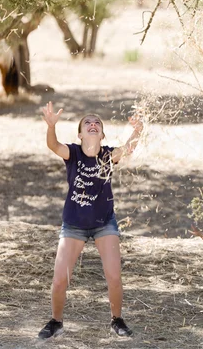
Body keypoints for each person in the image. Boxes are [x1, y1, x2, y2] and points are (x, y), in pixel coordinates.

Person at [37, 101, 143, 339]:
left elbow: (128, 148)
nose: (93, 124)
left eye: (97, 123)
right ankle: (56, 322)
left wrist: (138, 129)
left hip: (104, 223)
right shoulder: (73, 153)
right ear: (80, 134)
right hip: (73, 224)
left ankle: (117, 320)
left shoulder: (107, 155)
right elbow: (53, 145)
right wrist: (51, 126)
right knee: (59, 280)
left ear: (102, 134)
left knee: (114, 277)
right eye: (88, 123)